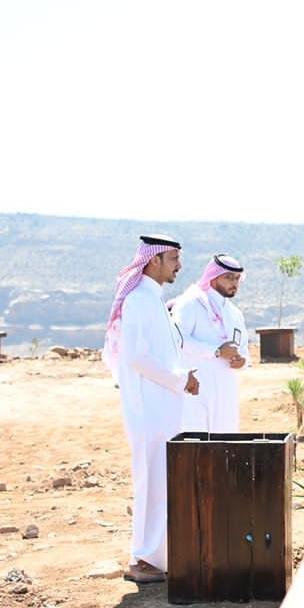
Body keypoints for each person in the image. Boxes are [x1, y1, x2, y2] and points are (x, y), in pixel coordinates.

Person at [102, 236, 199, 583]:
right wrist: (180, 379)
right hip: (148, 411)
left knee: (160, 483)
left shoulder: (153, 299)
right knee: (149, 483)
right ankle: (142, 559)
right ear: (154, 260)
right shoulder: (139, 300)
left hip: (162, 409)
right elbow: (137, 356)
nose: (179, 266)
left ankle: (157, 556)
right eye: (173, 259)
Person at [172, 254, 248, 432]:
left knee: (225, 441)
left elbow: (244, 349)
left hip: (226, 392)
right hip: (196, 390)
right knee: (195, 441)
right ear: (213, 278)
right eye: (228, 277)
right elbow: (178, 339)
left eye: (237, 278)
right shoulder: (190, 303)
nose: (234, 283)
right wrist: (216, 351)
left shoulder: (235, 314)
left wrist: (243, 361)